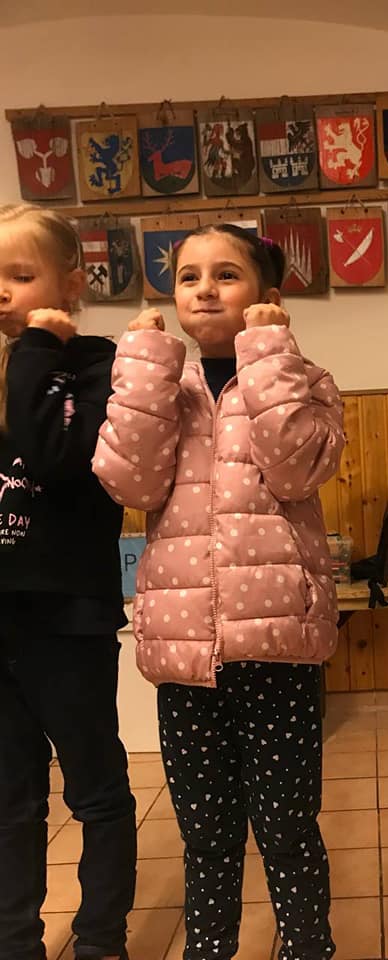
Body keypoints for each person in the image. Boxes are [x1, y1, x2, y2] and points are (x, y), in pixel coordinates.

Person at [93, 224, 344, 960]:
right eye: (189, 276)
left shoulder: (303, 378)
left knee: (288, 827)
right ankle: (209, 949)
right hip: (186, 656)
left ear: (268, 296)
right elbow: (131, 482)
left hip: (278, 650)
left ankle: (307, 948)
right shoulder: (159, 388)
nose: (205, 289)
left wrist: (266, 351)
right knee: (205, 833)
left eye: (226, 274)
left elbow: (296, 470)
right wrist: (142, 366)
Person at [0, 203, 135, 960]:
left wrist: (35, 348)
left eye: (20, 275)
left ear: (72, 286)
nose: (2, 292)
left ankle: (100, 940)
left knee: (95, 790)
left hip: (69, 614)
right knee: (9, 799)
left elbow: (52, 455)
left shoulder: (95, 365)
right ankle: (15, 940)